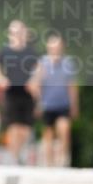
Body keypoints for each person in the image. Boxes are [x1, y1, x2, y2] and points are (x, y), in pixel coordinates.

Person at [0, 20, 38, 164]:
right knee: (13, 126)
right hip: (11, 93)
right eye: (14, 32)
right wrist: (1, 80)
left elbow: (40, 69)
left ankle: (18, 153)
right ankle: (14, 157)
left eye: (20, 31)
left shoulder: (31, 52)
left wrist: (34, 81)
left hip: (27, 93)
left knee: (25, 129)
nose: (17, 34)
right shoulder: (4, 51)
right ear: (10, 34)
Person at [31, 33, 79, 166]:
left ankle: (63, 159)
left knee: (64, 129)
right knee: (48, 135)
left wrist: (74, 105)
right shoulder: (42, 64)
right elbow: (33, 86)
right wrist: (38, 102)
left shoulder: (68, 63)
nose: (56, 49)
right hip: (47, 105)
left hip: (63, 104)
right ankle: (50, 163)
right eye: (53, 46)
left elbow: (72, 86)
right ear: (48, 48)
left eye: (58, 46)